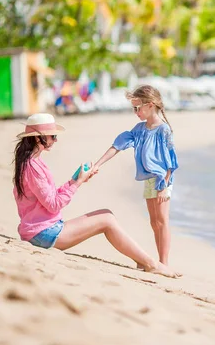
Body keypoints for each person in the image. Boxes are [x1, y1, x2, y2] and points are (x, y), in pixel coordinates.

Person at [12, 113, 178, 278]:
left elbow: (50, 198)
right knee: (107, 220)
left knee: (106, 214)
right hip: (43, 234)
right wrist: (76, 184)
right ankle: (152, 264)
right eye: (52, 136)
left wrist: (76, 180)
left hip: (41, 230)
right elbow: (54, 204)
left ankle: (143, 260)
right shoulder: (33, 167)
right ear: (37, 138)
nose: (55, 140)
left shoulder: (32, 162)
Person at [93, 85, 178, 267]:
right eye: (133, 108)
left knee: (162, 220)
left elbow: (171, 161)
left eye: (137, 108)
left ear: (150, 105)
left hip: (162, 179)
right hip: (148, 180)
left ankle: (164, 262)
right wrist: (98, 164)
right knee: (154, 222)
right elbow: (117, 146)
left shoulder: (164, 130)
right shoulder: (139, 129)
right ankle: (160, 261)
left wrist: (164, 184)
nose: (135, 112)